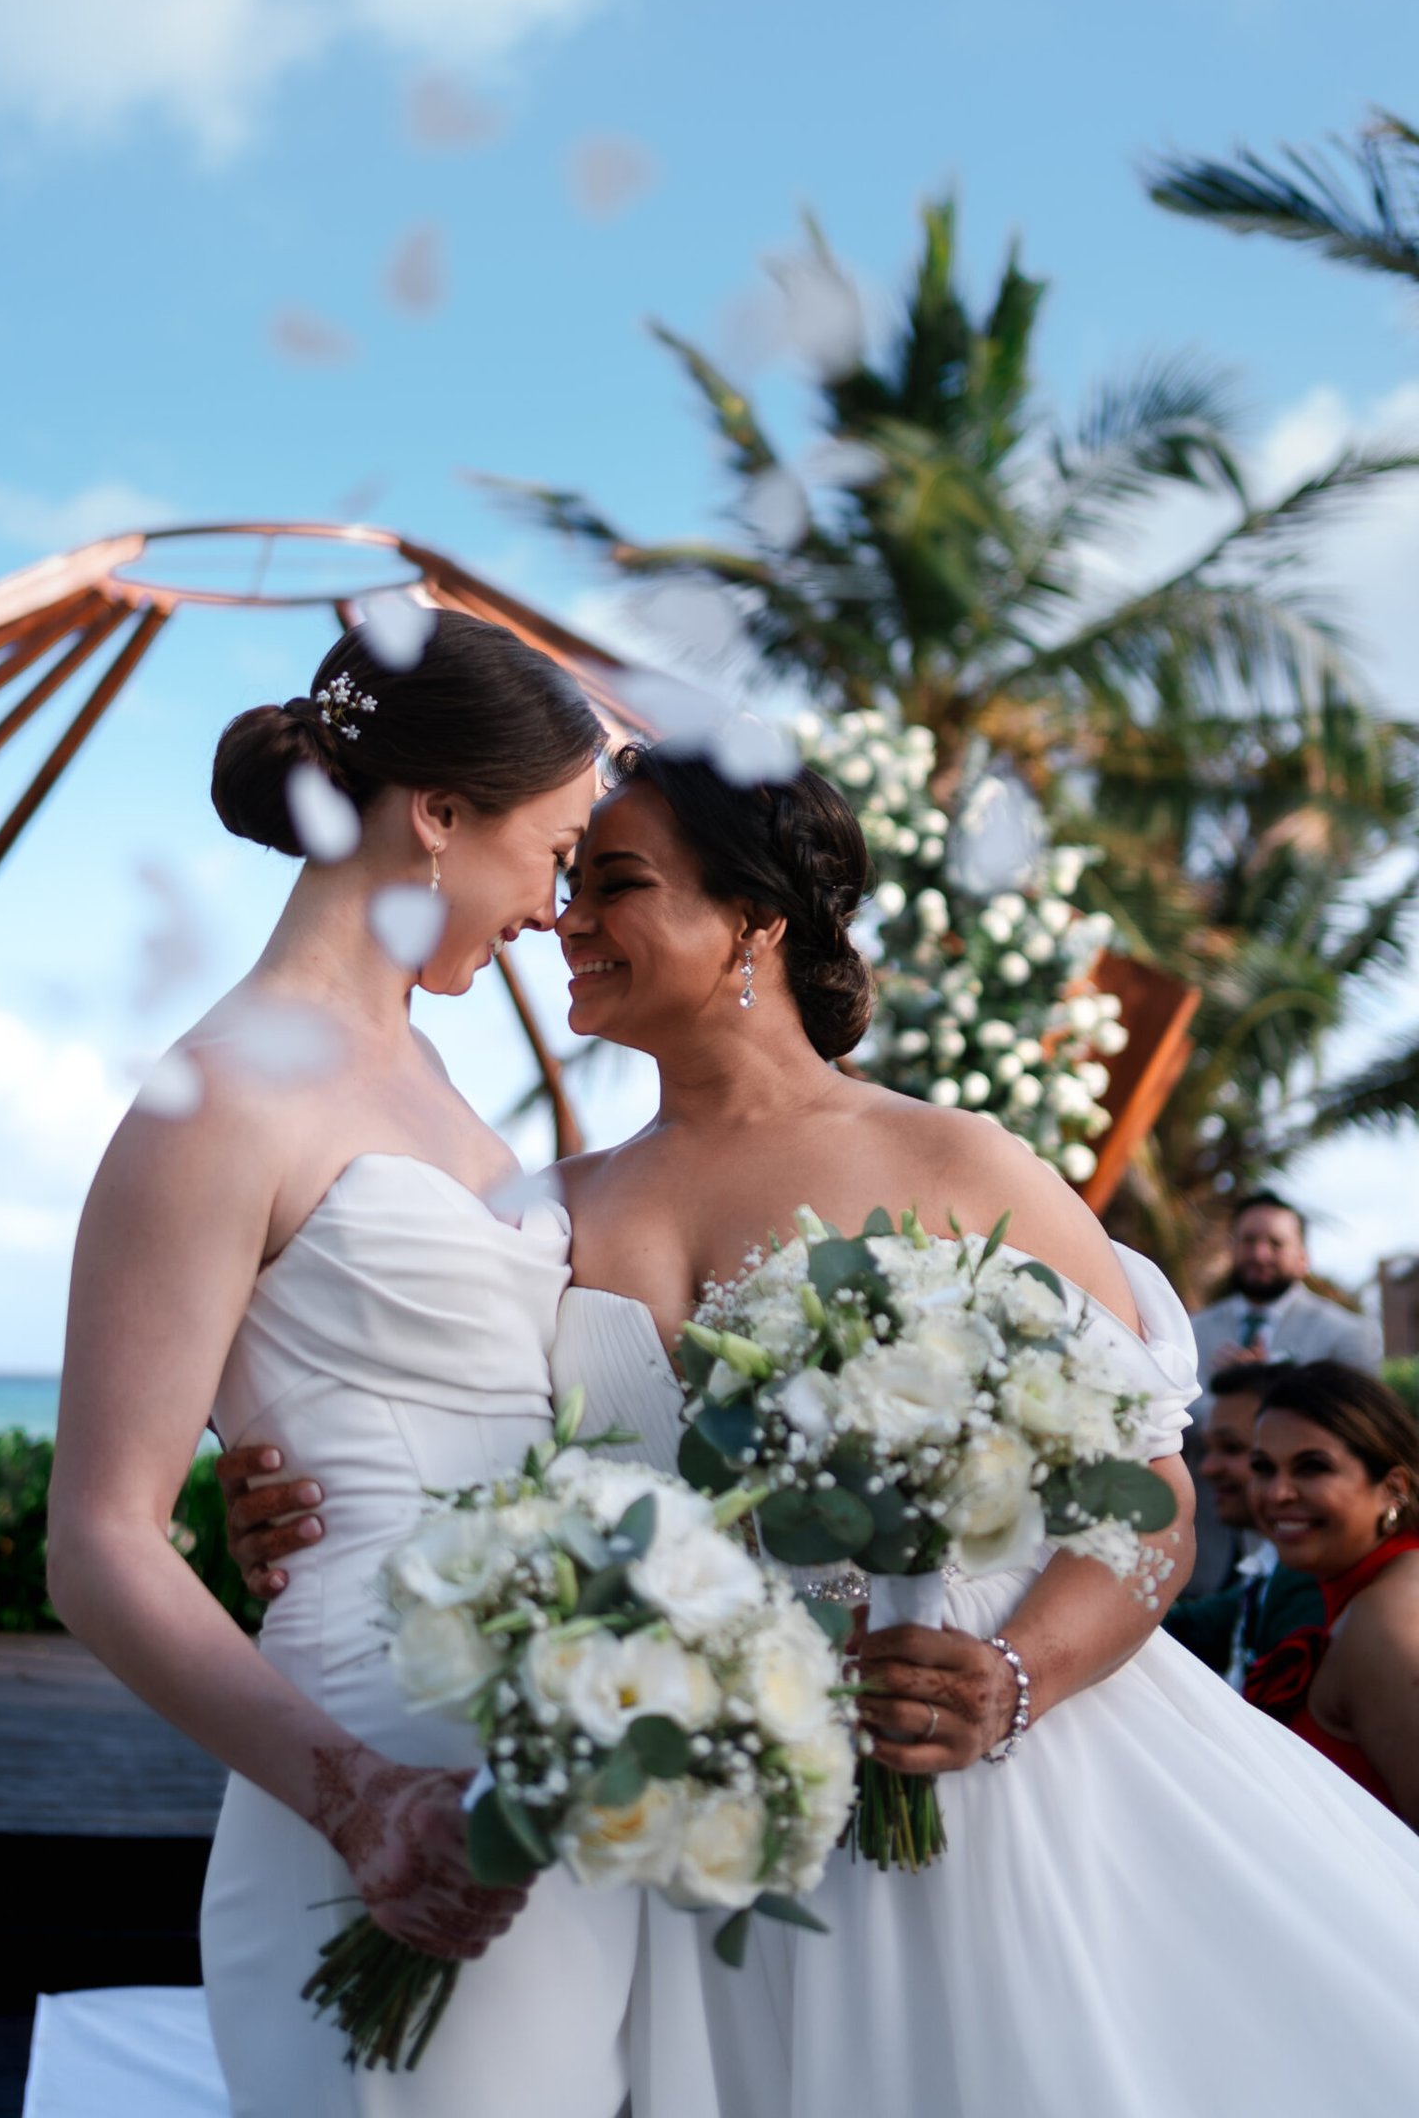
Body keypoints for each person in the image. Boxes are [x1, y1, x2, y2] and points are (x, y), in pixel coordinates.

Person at [232, 740, 1419, 2118]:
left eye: (616, 883)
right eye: (570, 881)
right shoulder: (543, 1212)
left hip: (994, 1791)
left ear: (754, 918)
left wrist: (1014, 1676)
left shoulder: (958, 1163)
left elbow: (1150, 1493)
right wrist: (301, 1498)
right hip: (714, 1816)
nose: (564, 918)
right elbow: (466, 1444)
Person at [47, 612, 634, 2118]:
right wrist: (358, 1798)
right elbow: (99, 1543)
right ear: (436, 815)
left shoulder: (430, 1074)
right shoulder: (220, 1094)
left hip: (541, 1746)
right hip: (373, 1767)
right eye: (554, 852)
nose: (553, 906)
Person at [1244, 1361, 1419, 1823]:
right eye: (1263, 1468)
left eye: (1312, 1467)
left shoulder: (1390, 1617)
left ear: (1392, 1489)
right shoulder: (1369, 1589)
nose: (1277, 1493)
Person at [1186, 1191, 1383, 1590]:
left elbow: (1355, 1433)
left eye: (1275, 1243)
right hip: (1202, 1542)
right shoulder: (1190, 1328)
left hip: (1296, 1545)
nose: (1259, 1254)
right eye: (1248, 1240)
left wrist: (1267, 1389)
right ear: (1232, 1249)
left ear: (1303, 1257)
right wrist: (1233, 1400)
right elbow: (1164, 1416)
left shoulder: (1348, 1333)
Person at [1163, 1361, 1324, 1685]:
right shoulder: (1271, 1567)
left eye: (1232, 1448)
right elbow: (1186, 1627)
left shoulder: (1309, 1578)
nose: (1207, 1468)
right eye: (1207, 1449)